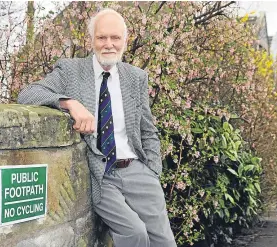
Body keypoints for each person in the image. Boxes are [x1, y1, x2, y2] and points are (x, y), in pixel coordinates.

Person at [18, 8, 177, 247]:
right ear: (91, 40)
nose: (109, 44)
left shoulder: (136, 77)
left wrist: (153, 171)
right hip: (101, 175)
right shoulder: (71, 71)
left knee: (164, 241)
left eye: (115, 38)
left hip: (137, 170)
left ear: (125, 41)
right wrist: (69, 103)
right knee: (134, 234)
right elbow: (27, 94)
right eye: (102, 37)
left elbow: (148, 129)